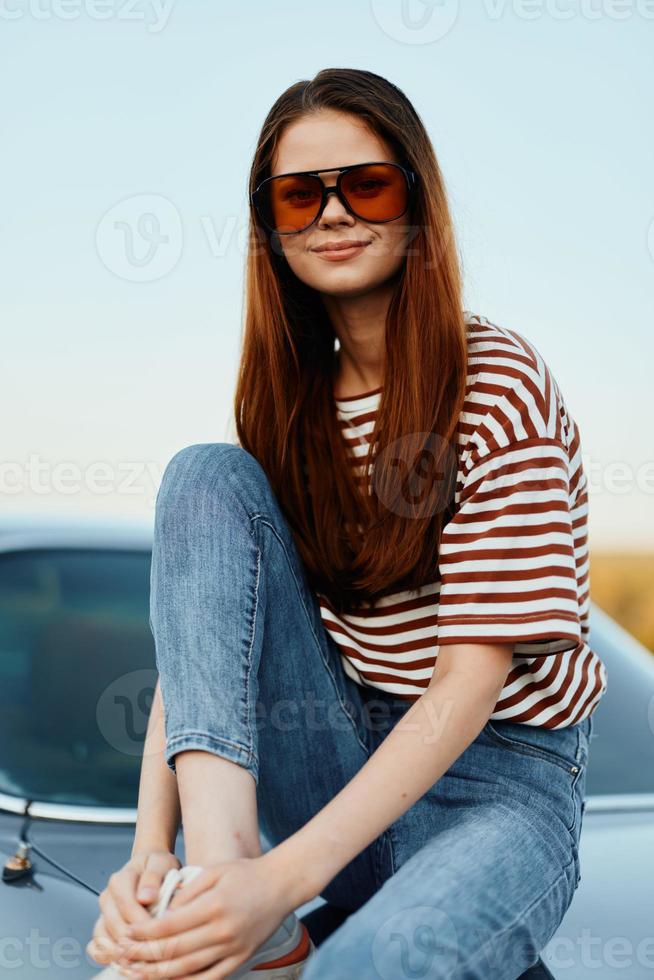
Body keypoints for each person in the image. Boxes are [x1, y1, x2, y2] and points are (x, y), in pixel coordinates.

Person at [87, 67, 608, 980]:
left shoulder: (498, 383)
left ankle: (259, 909)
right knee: (204, 475)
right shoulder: (284, 411)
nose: (331, 214)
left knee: (369, 967)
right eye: (298, 196)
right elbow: (207, 644)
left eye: (365, 184)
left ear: (416, 201)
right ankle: (225, 882)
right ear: (271, 226)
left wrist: (285, 881)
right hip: (337, 759)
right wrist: (153, 851)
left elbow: (469, 683)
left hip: (500, 788)